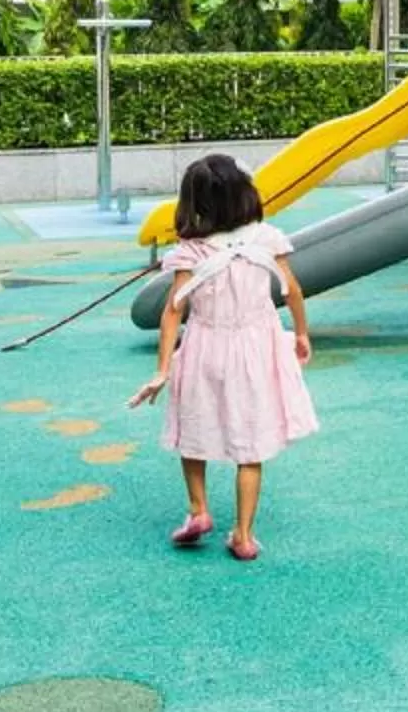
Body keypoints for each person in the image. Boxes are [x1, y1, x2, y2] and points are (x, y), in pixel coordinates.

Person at [129, 154, 317, 560]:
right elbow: (293, 291)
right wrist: (301, 333)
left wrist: (162, 369)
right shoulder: (266, 238)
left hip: (204, 350)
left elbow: (174, 309)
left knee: (193, 428)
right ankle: (244, 536)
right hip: (255, 350)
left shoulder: (190, 252)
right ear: (246, 194)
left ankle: (199, 510)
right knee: (250, 446)